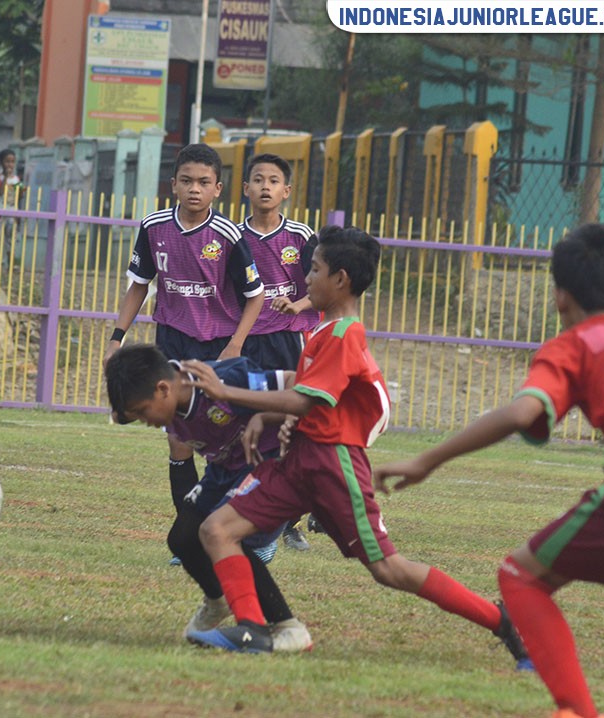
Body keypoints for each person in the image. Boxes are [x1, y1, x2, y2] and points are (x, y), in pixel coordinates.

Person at [373, 223, 604, 718]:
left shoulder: (575, 344)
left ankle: (578, 710)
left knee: (521, 576)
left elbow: (523, 414)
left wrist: (425, 459)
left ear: (560, 299)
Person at [180, 225, 531, 670]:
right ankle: (253, 627)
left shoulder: (346, 335)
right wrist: (270, 418)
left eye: (315, 269)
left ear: (340, 279)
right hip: (298, 462)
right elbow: (309, 403)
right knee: (216, 530)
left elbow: (305, 400)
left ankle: (501, 620)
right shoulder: (325, 334)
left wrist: (229, 394)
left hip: (333, 466)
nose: (306, 278)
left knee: (389, 569)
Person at [103, 143, 265, 560]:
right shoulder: (154, 227)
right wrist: (117, 336)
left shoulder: (228, 236)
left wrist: (235, 344)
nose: (195, 189)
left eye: (204, 183)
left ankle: (243, 532)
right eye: (188, 181)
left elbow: (256, 294)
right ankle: (188, 536)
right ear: (174, 185)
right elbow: (140, 283)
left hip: (215, 346)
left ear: (217, 189)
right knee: (178, 440)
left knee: (223, 438)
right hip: (172, 341)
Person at [105, 343, 312, 652]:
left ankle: (285, 627)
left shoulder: (224, 379)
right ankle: (218, 600)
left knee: (227, 535)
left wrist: (264, 417)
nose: (144, 420)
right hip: (224, 470)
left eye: (142, 412)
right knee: (183, 538)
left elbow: (297, 384)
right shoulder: (168, 395)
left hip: (268, 463)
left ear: (163, 389)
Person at [240, 152, 322, 553]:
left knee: (294, 423)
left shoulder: (302, 237)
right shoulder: (233, 236)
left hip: (291, 338)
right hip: (247, 340)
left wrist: (298, 306)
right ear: (245, 189)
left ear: (286, 191)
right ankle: (249, 508)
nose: (266, 187)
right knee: (246, 421)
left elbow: (319, 286)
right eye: (258, 179)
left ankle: (291, 521)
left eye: (274, 180)